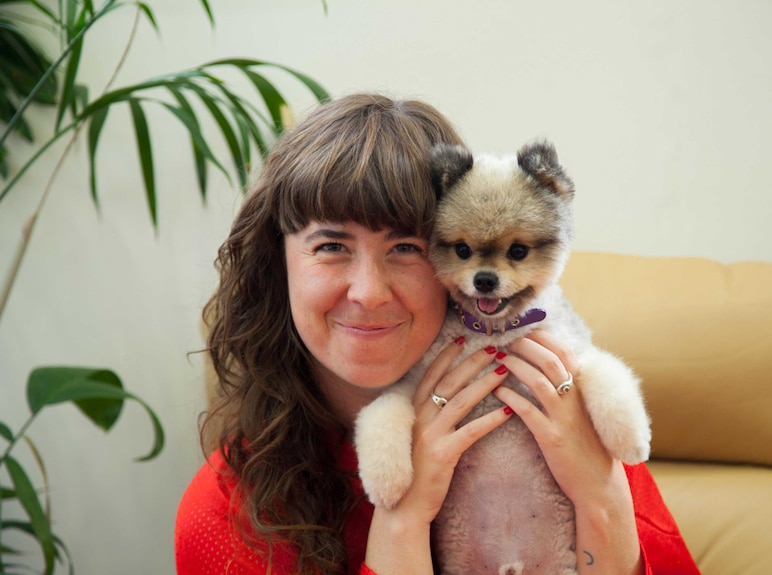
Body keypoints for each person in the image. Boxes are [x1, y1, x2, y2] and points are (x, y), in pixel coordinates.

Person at [174, 93, 700, 575]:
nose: (368, 293)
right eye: (331, 246)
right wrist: (401, 524)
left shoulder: (569, 414)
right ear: (279, 264)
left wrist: (602, 499)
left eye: (407, 247)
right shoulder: (227, 513)